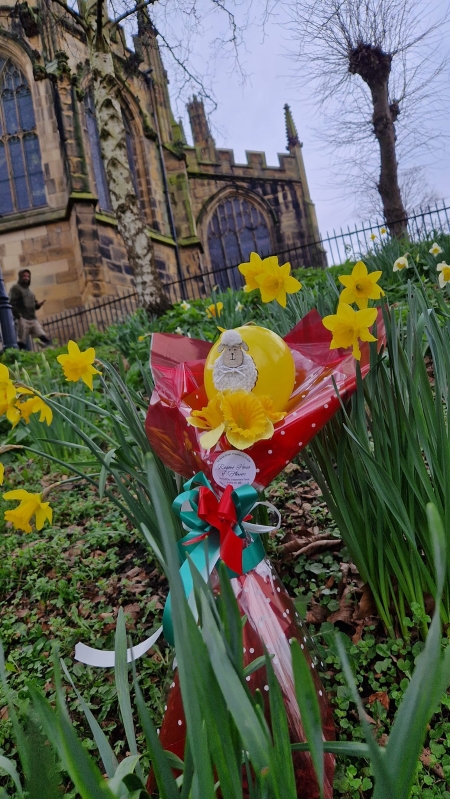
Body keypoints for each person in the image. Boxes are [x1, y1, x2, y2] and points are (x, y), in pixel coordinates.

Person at [9, 269, 51, 350]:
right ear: (20, 277)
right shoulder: (15, 288)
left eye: (28, 276)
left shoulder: (30, 292)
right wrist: (18, 316)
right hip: (22, 319)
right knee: (21, 341)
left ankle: (51, 352)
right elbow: (11, 303)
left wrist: (38, 305)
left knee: (42, 336)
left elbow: (33, 305)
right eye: (24, 276)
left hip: (33, 319)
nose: (26, 278)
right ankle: (22, 358)